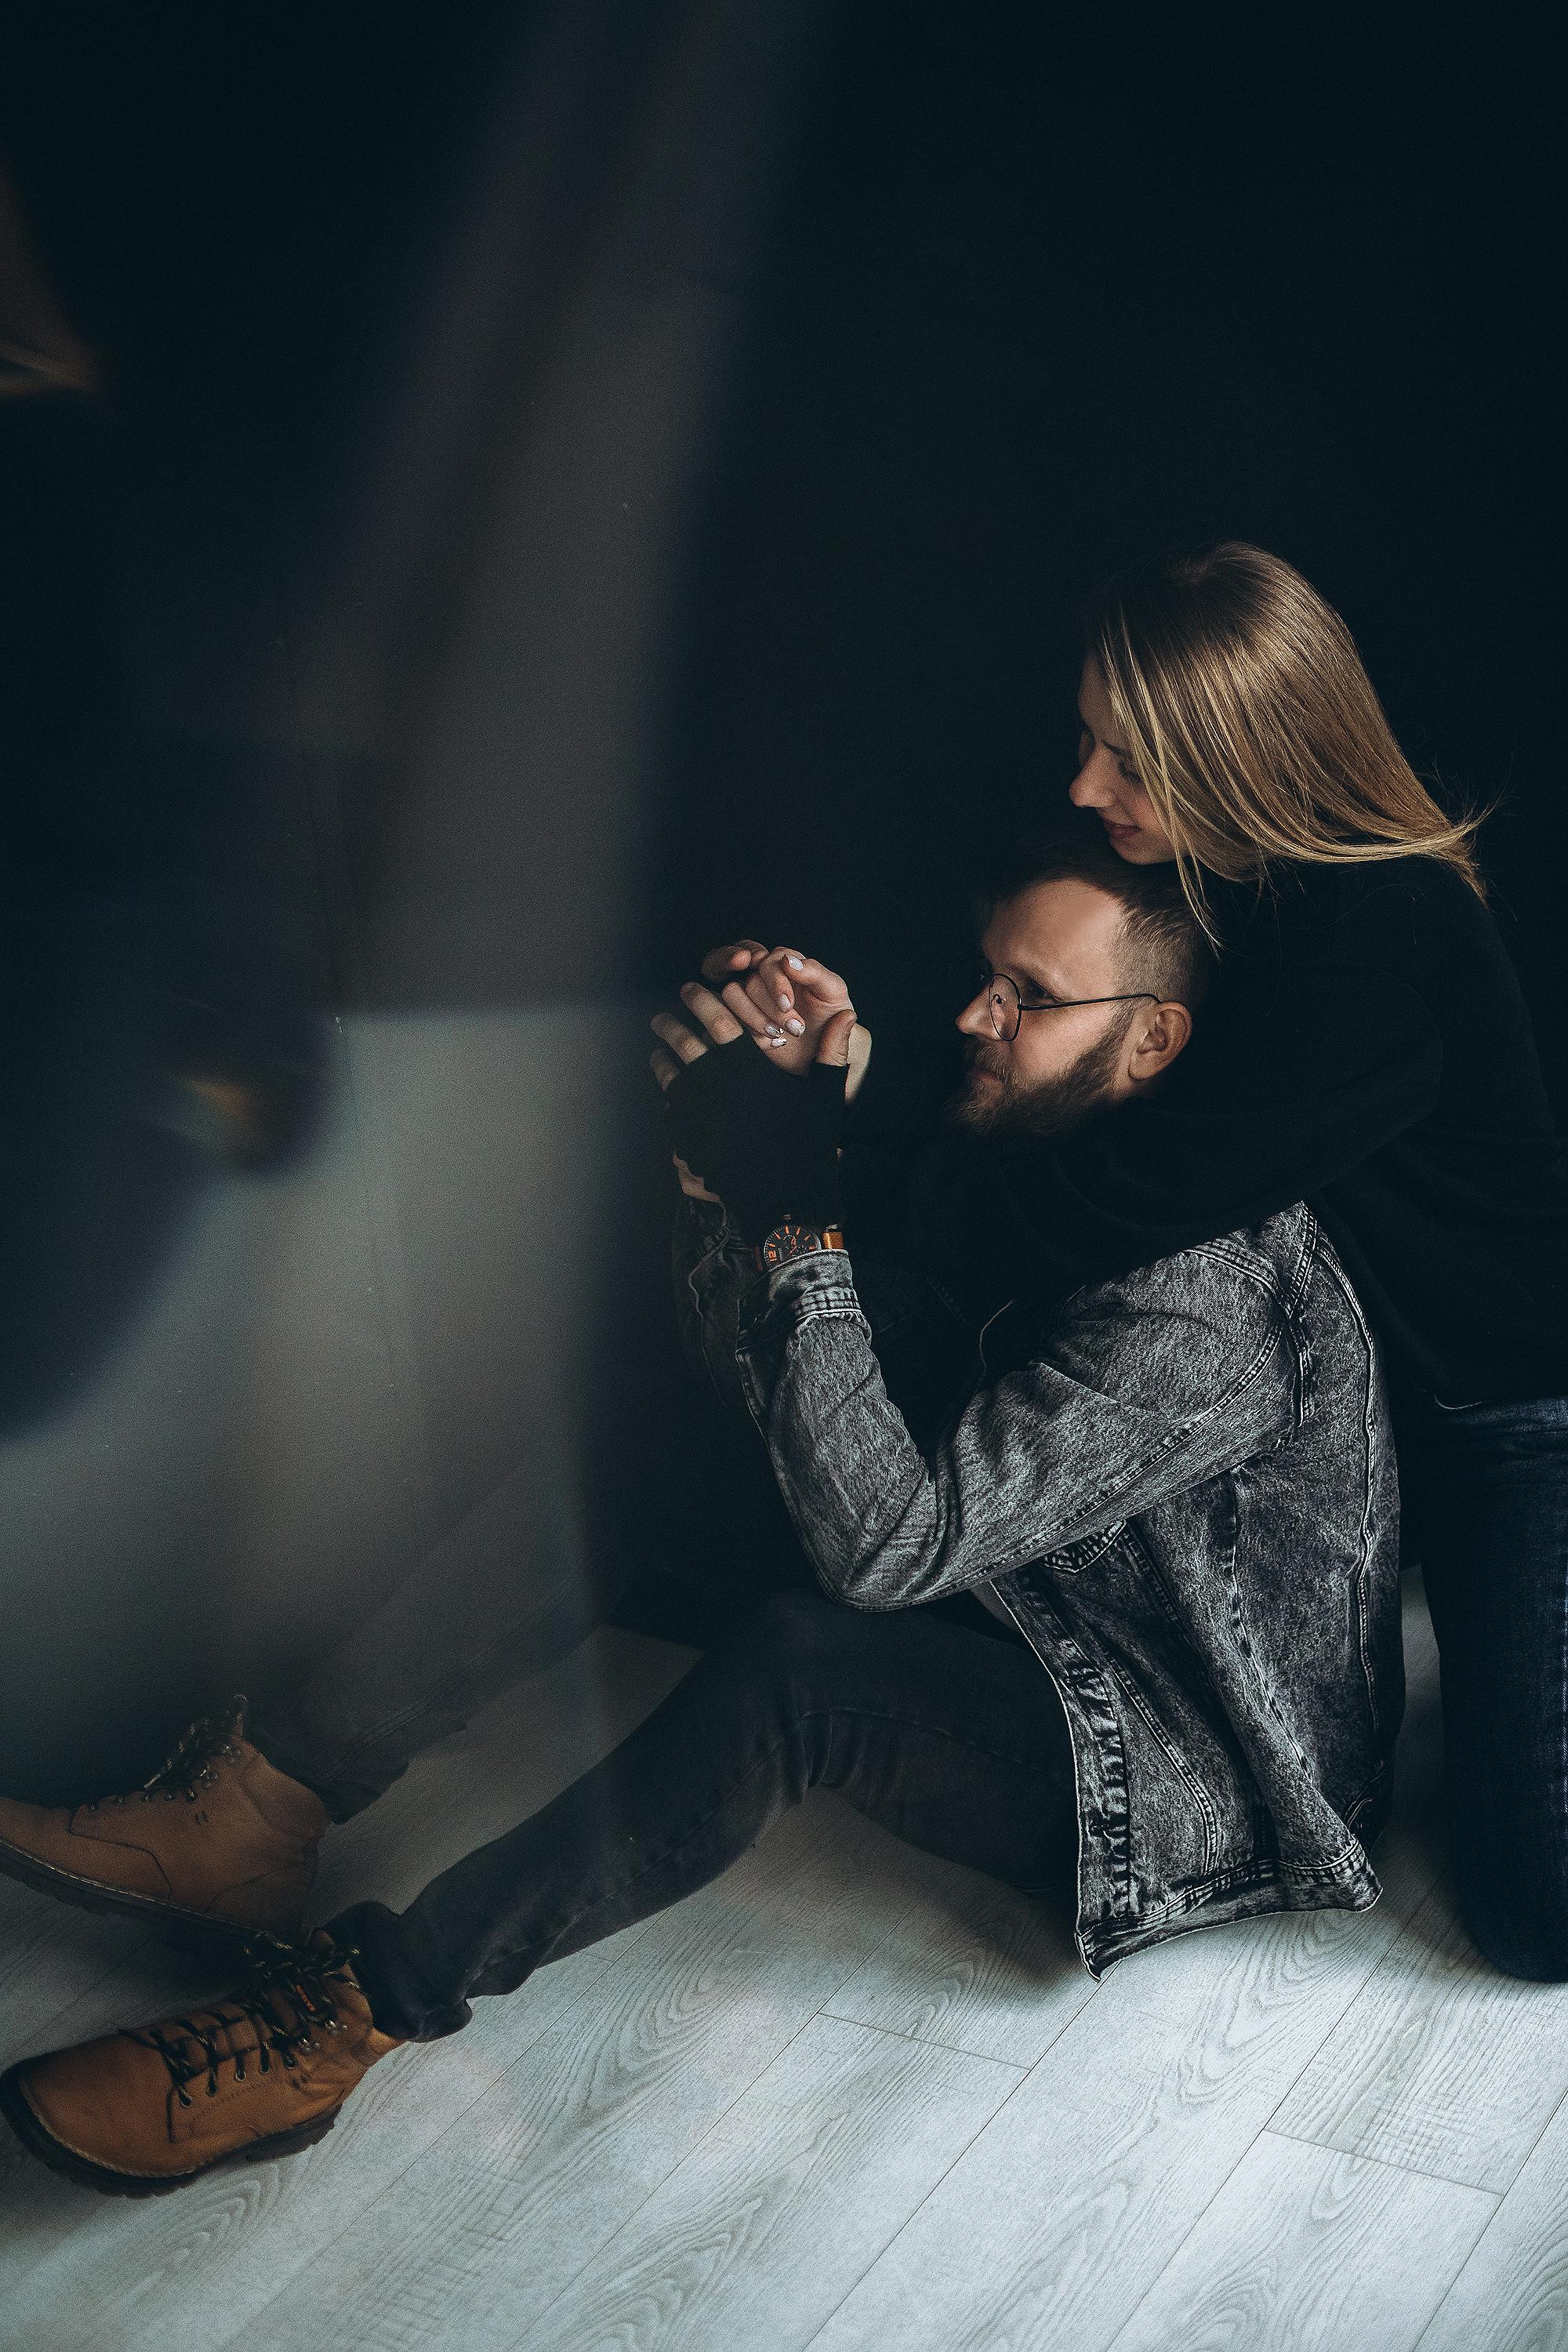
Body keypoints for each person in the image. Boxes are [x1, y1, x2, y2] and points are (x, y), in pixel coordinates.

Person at [0, 827, 1403, 2196]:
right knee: (628, 1450)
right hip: (1011, 1588)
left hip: (1177, 1753)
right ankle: (259, 1810)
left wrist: (798, 1204)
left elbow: (885, 1548)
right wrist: (741, 1176)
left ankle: (351, 2014)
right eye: (990, 973)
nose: (978, 1014)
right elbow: (762, 1391)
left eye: (1031, 998)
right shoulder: (1046, 1159)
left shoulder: (1206, 1303)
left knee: (798, 1671)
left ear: (1153, 1040)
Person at [708, 541, 1568, 1983]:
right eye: (1090, 737)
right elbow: (1064, 1085)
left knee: (1540, 1917)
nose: (1084, 787)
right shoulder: (1224, 887)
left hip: (1510, 1426)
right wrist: (845, 1066)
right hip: (1341, 1439)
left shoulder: (1385, 932)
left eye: (1127, 756)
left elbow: (1096, 1203)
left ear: (1240, 755)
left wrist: (806, 1178)